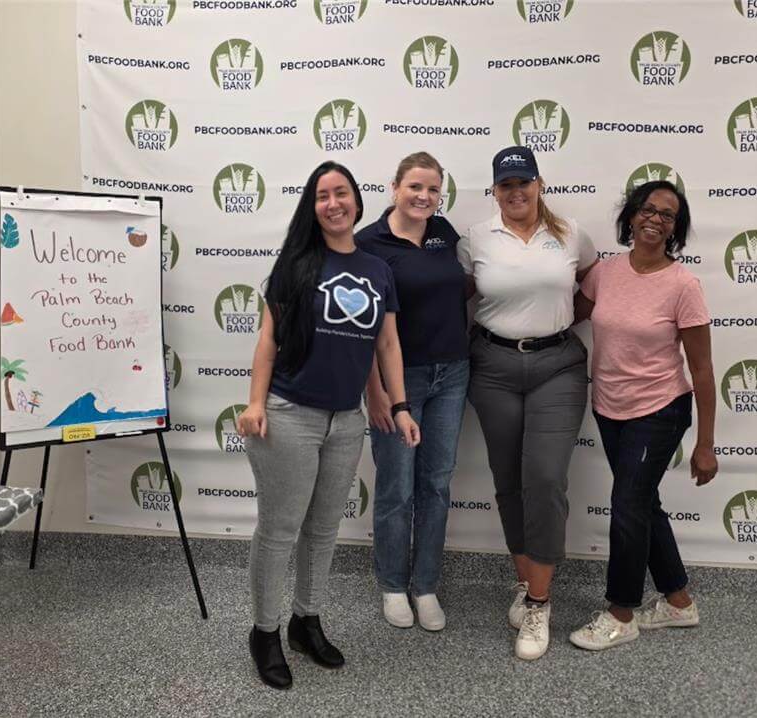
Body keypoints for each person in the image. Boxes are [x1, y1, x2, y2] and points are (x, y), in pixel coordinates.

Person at [237, 161, 421, 690]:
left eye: (342, 193)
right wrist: (255, 404)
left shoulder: (376, 270)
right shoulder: (296, 265)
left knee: (321, 530)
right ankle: (265, 632)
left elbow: (386, 344)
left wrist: (400, 405)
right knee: (279, 532)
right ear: (312, 207)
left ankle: (306, 620)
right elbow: (267, 342)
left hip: (346, 421)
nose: (333, 202)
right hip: (290, 416)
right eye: (322, 195)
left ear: (358, 203)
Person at [457, 145, 597, 660]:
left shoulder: (570, 234)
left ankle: (540, 602)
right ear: (495, 191)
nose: (515, 193)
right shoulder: (475, 238)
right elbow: (463, 295)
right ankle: (525, 582)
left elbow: (591, 287)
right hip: (492, 366)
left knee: (543, 476)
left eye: (524, 183)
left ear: (539, 184)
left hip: (557, 365)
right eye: (505, 185)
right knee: (509, 480)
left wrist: (557, 321)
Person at [569, 180, 718, 651]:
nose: (655, 219)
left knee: (629, 505)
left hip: (660, 409)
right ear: (632, 216)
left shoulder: (683, 285)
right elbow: (567, 314)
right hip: (610, 406)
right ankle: (679, 602)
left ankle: (621, 612)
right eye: (648, 210)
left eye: (667, 215)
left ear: (677, 228)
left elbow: (702, 367)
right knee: (643, 504)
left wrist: (707, 443)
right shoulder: (605, 274)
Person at [356, 152, 469, 631]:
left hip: (453, 375)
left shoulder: (446, 235)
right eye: (414, 187)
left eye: (432, 189)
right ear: (394, 187)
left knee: (436, 485)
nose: (423, 197)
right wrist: (375, 391)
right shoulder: (369, 243)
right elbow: (359, 325)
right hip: (398, 382)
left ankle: (426, 585)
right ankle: (392, 585)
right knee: (397, 488)